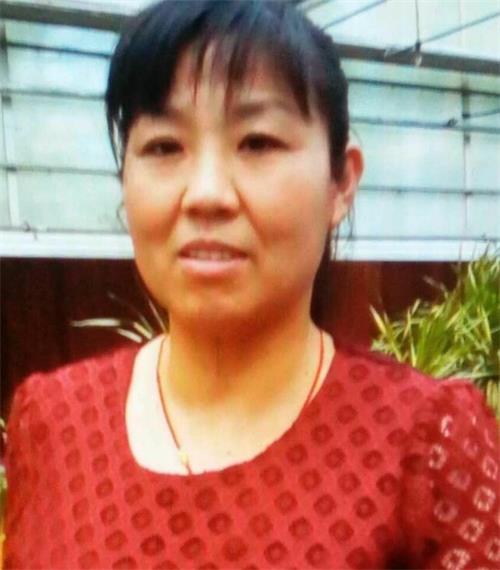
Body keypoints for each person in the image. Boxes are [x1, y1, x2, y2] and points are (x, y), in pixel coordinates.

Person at [4, 1, 499, 569]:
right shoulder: (51, 421)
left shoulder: (427, 442)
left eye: (257, 142)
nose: (206, 194)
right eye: (164, 147)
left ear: (341, 181)